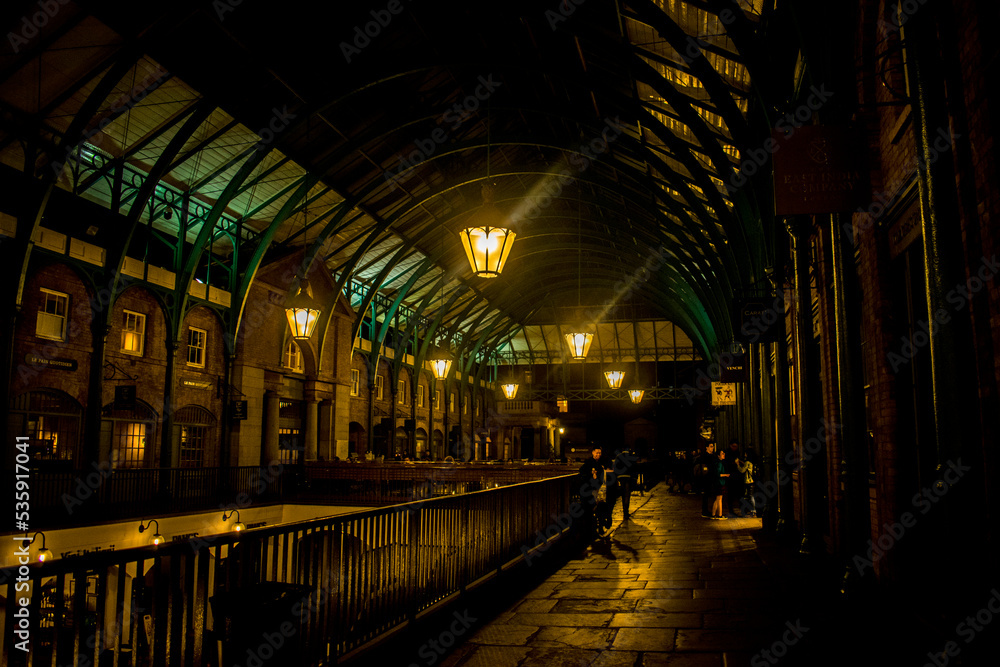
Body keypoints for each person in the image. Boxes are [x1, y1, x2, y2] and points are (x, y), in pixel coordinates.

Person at [579, 445, 614, 537]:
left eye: (599, 453)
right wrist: (591, 474)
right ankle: (594, 529)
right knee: (593, 509)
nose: (598, 454)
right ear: (593, 452)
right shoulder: (588, 463)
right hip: (591, 490)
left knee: (600, 508)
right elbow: (582, 472)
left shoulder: (601, 463)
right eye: (596, 453)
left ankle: (600, 527)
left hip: (599, 489)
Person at [613, 448, 637, 518]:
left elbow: (615, 467)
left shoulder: (618, 456)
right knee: (627, 495)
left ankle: (624, 511)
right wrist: (634, 477)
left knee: (622, 494)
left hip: (620, 478)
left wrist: (616, 477)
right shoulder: (631, 456)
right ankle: (626, 512)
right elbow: (634, 468)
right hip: (628, 477)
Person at [710, 449, 730, 519]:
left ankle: (713, 514)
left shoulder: (717, 463)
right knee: (719, 499)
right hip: (719, 483)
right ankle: (720, 515)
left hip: (717, 482)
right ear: (718, 456)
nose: (724, 454)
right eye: (722, 453)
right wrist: (726, 475)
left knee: (717, 499)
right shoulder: (720, 463)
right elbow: (718, 474)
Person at [726, 440, 744, 516]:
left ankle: (742, 510)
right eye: (733, 446)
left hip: (738, 476)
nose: (735, 448)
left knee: (740, 494)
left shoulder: (738, 453)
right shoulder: (727, 453)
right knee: (730, 495)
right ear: (730, 446)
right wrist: (734, 462)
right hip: (730, 476)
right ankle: (731, 510)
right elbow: (727, 463)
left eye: (736, 446)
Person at [736, 452, 757, 517]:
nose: (744, 455)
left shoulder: (747, 462)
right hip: (751, 481)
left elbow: (742, 470)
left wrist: (737, 465)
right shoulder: (750, 462)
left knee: (750, 496)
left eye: (745, 454)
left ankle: (752, 510)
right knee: (750, 496)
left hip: (748, 481)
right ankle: (751, 510)